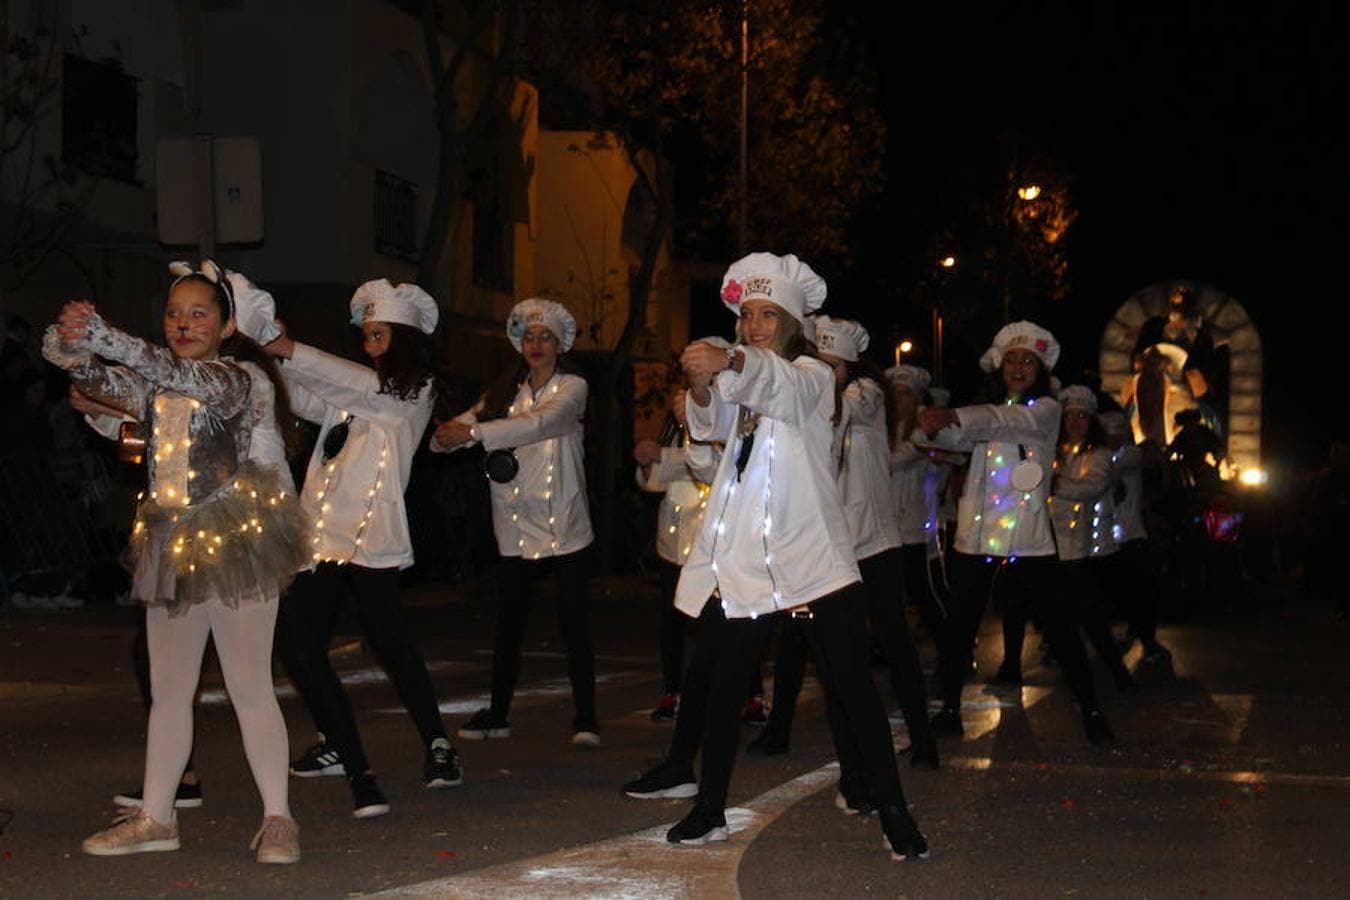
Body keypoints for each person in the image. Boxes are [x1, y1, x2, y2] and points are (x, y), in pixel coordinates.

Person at [662, 252, 928, 860]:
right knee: (725, 685)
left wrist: (727, 361)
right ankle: (710, 809)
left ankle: (894, 813)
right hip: (746, 560)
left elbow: (778, 383)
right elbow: (711, 434)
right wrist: (703, 387)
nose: (755, 325)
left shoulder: (815, 375)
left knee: (852, 690)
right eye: (747, 315)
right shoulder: (742, 375)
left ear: (792, 321)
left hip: (811, 558)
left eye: (768, 314)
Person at [44, 261, 306, 862]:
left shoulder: (239, 379)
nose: (183, 324)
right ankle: (157, 817)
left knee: (249, 686)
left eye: (199, 313)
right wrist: (71, 343)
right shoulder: (165, 383)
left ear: (226, 325)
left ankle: (279, 818)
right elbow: (110, 385)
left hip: (237, 538)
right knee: (169, 690)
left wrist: (103, 335)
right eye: (173, 313)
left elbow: (166, 371)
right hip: (170, 539)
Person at [260, 278, 462, 819]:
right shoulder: (354, 389)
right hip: (321, 529)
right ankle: (336, 740)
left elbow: (354, 387)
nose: (371, 345)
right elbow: (307, 395)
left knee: (389, 637)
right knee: (301, 648)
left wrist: (291, 348)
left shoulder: (413, 393)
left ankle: (438, 743)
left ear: (407, 339)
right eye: (367, 336)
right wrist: (274, 354)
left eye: (381, 335)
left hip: (372, 532)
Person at [745, 317, 938, 772]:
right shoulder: (816, 398)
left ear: (853, 368)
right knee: (800, 643)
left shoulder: (867, 398)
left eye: (834, 366)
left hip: (874, 546)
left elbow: (837, 406)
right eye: (819, 364)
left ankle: (924, 739)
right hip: (827, 548)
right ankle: (781, 732)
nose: (825, 374)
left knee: (893, 643)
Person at [917, 321, 1114, 745]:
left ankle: (1093, 710)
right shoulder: (985, 409)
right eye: (1011, 360)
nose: (1019, 367)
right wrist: (926, 424)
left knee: (1060, 627)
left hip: (1028, 538)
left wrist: (952, 416)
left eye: (1028, 361)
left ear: (1041, 368)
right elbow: (949, 435)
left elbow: (1001, 422)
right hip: (977, 536)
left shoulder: (1045, 409)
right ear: (998, 365)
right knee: (958, 627)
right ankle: (950, 710)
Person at [432, 298, 599, 747]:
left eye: (545, 337)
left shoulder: (572, 387)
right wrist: (445, 435)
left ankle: (586, 718)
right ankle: (498, 713)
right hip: (516, 521)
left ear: (561, 343)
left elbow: (540, 424)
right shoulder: (504, 391)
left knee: (573, 621)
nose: (537, 344)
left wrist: (474, 433)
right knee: (509, 622)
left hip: (564, 521)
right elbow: (462, 425)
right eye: (529, 336)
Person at [1045, 386, 1134, 690]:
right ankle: (1075, 678)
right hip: (1047, 549)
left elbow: (1090, 488)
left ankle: (1116, 671)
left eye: (1081, 416)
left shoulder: (1098, 455)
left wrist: (1052, 484)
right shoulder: (1048, 452)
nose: (1074, 423)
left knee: (1091, 618)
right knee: (1060, 622)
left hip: (1078, 551)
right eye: (1069, 416)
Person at [1100, 410, 1171, 663]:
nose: (1114, 440)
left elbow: (1108, 471)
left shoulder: (1130, 456)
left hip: (1131, 535)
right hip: (1103, 539)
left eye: (1118, 434)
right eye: (1109, 435)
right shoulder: (1099, 459)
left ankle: (1148, 642)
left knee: (1141, 592)